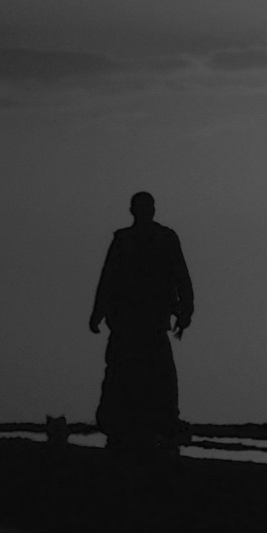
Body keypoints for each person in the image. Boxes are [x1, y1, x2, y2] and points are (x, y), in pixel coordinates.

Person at [88, 192, 195, 450]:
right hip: (130, 322)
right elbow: (109, 278)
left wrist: (185, 311)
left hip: (147, 321)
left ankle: (160, 419)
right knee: (129, 371)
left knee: (156, 372)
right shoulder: (127, 240)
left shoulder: (161, 239)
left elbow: (181, 276)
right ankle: (126, 419)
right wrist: (97, 312)